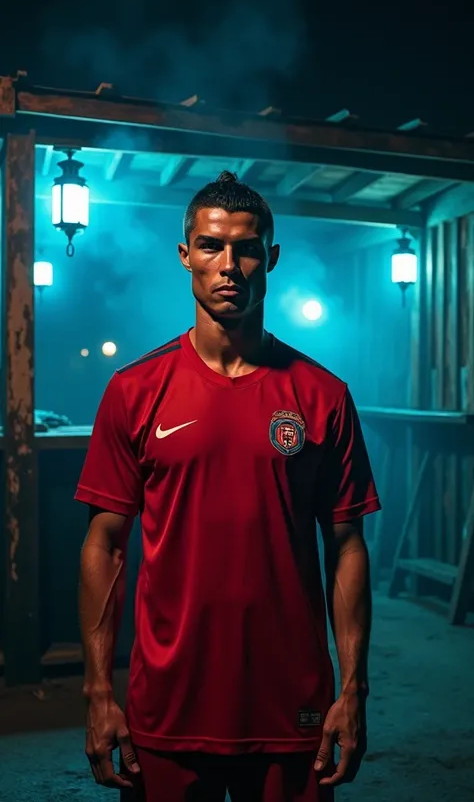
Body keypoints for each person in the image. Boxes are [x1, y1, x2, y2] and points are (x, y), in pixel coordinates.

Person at [76, 171, 381, 802]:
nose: (229, 266)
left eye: (246, 248)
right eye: (211, 246)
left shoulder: (323, 396)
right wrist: (99, 691)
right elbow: (105, 544)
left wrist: (352, 691)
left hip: (292, 707)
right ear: (185, 254)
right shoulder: (135, 392)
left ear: (270, 257)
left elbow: (346, 545)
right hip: (167, 706)